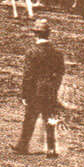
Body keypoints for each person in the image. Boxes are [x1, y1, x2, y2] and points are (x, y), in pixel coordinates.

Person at [15, 19, 65, 156]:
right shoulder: (57, 53)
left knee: (30, 118)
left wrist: (25, 94)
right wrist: (54, 87)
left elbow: (28, 76)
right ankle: (51, 148)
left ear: (35, 34)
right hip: (50, 91)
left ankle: (22, 146)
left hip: (35, 92)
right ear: (48, 34)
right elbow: (60, 72)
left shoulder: (32, 52)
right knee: (50, 119)